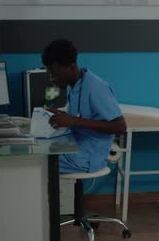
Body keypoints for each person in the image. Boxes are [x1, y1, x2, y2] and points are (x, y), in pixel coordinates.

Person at [41, 39, 126, 173]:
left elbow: (120, 127)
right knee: (41, 148)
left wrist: (73, 121)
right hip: (76, 144)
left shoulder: (95, 87)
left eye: (55, 74)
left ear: (72, 67)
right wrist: (61, 116)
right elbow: (80, 116)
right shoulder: (74, 85)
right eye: (50, 74)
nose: (52, 79)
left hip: (89, 156)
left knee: (38, 160)